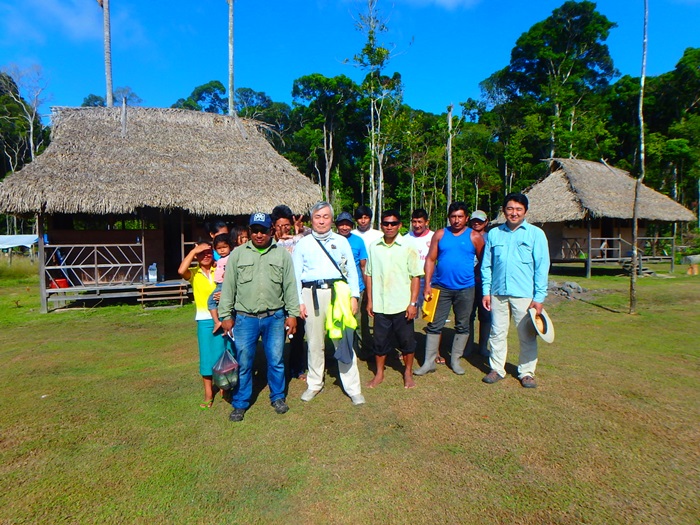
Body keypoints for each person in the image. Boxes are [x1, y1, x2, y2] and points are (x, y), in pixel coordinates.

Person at [218, 213, 300, 422]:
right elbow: (228, 287)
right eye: (254, 230)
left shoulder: (282, 255)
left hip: (275, 317)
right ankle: (240, 402)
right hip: (245, 318)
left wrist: (292, 315)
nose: (259, 234)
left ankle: (278, 397)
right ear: (250, 231)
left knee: (276, 360)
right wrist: (225, 315)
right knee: (244, 362)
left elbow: (290, 287)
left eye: (263, 230)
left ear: (271, 230)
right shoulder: (238, 255)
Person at [293, 202, 365, 406]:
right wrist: (299, 301)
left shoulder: (341, 241)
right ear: (311, 220)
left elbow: (351, 271)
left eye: (326, 216)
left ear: (332, 219)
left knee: (342, 340)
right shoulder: (303, 244)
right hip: (311, 294)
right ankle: (315, 383)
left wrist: (354, 296)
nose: (322, 221)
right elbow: (295, 275)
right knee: (315, 342)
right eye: (318, 217)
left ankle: (353, 388)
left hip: (337, 294)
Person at [481, 193, 550, 388]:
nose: (514, 213)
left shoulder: (536, 234)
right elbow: (487, 265)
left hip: (524, 295)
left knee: (527, 334)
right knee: (497, 333)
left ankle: (526, 372)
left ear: (525, 211)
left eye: (519, 209)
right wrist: (486, 291)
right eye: (510, 208)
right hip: (498, 293)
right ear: (504, 211)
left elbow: (542, 267)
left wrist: (539, 297)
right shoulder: (494, 234)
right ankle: (497, 369)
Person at [414, 202, 485, 377]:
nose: (456, 220)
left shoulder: (475, 236)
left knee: (462, 324)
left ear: (466, 218)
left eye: (460, 216)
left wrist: (475, 276)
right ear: (449, 218)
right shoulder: (440, 234)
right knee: (434, 324)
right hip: (440, 288)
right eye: (453, 216)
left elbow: (484, 261)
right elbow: (430, 259)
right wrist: (428, 284)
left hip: (466, 288)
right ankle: (429, 362)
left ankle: (455, 360)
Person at [365, 210, 423, 389]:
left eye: (393, 223)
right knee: (379, 342)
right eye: (386, 223)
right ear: (381, 225)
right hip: (381, 304)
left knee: (407, 341)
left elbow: (415, 276)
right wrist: (370, 300)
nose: (389, 227)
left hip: (402, 304)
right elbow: (369, 274)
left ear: (400, 225)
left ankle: (408, 372)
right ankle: (379, 373)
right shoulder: (374, 246)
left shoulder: (408, 245)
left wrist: (413, 303)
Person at [178, 240, 231, 409]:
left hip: (225, 317)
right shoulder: (194, 273)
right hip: (204, 320)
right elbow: (181, 271)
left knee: (225, 353)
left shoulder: (220, 268)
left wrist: (224, 294)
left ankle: (225, 387)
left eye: (208, 252)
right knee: (207, 357)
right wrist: (194, 251)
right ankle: (208, 393)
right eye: (201, 253)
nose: (206, 256)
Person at [271, 204, 308, 380]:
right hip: (277, 296)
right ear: (273, 227)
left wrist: (299, 232)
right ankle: (277, 370)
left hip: (295, 294)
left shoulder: (298, 240)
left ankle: (297, 368)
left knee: (298, 335)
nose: (283, 229)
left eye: (286, 225)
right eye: (279, 226)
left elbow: (311, 236)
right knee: (277, 337)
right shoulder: (271, 245)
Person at [351, 205, 382, 357]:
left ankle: (380, 344)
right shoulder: (351, 235)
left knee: (379, 313)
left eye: (366, 217)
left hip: (379, 277)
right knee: (360, 314)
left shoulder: (379, 235)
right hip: (360, 279)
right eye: (360, 218)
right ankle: (360, 345)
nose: (363, 221)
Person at [467, 210, 492, 357]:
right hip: (468, 282)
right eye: (474, 220)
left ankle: (483, 346)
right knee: (468, 315)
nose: (477, 223)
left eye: (480, 221)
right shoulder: (467, 236)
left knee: (486, 315)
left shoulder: (491, 237)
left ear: (486, 222)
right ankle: (468, 346)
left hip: (485, 283)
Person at [407, 208, 434, 310]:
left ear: (427, 222)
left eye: (420, 222)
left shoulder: (434, 237)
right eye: (414, 222)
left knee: (429, 312)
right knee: (411, 310)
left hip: (430, 281)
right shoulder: (406, 238)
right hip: (412, 280)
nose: (417, 225)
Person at [207, 233, 233, 334]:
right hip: (219, 284)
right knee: (222, 305)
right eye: (219, 248)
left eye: (224, 247)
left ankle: (217, 322)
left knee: (211, 302)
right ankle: (225, 326)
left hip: (223, 284)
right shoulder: (221, 259)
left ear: (230, 246)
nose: (222, 250)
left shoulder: (231, 257)